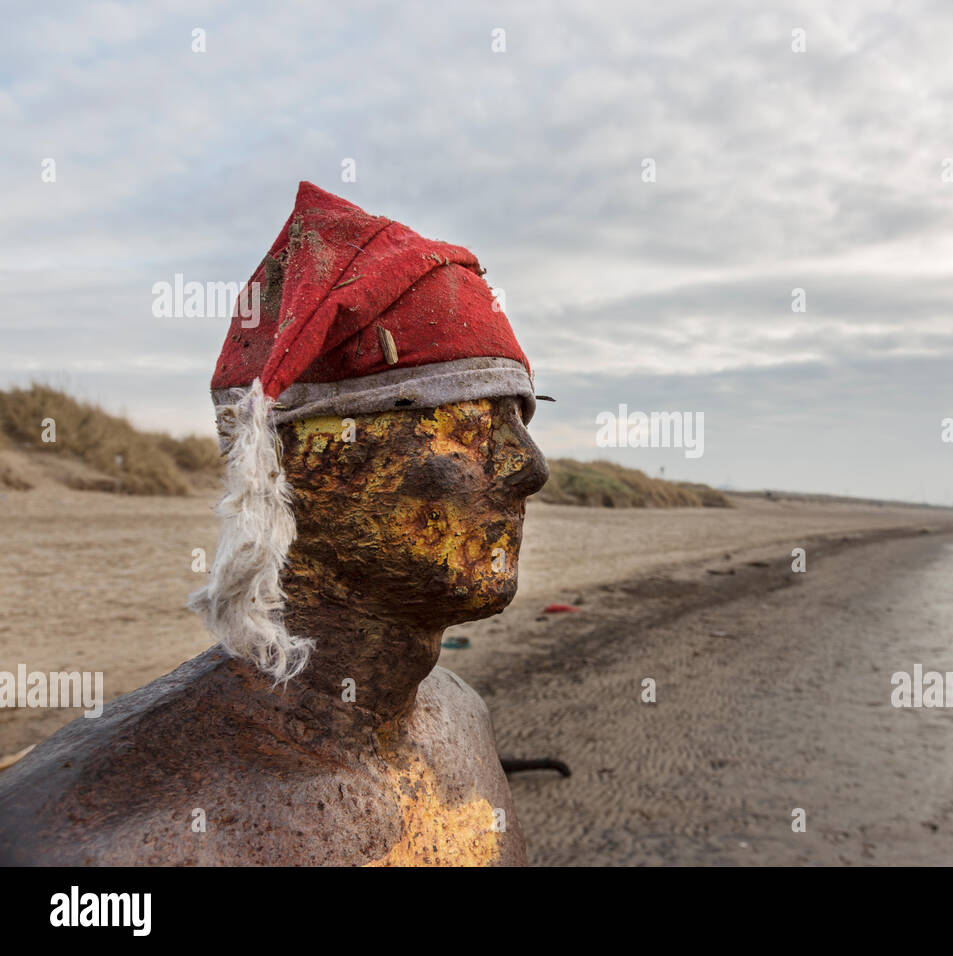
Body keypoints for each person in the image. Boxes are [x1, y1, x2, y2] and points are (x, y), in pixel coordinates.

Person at [0, 183, 546, 865]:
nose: (530, 468)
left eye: (520, 421)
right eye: (466, 427)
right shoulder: (89, 840)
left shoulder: (462, 719)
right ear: (296, 465)